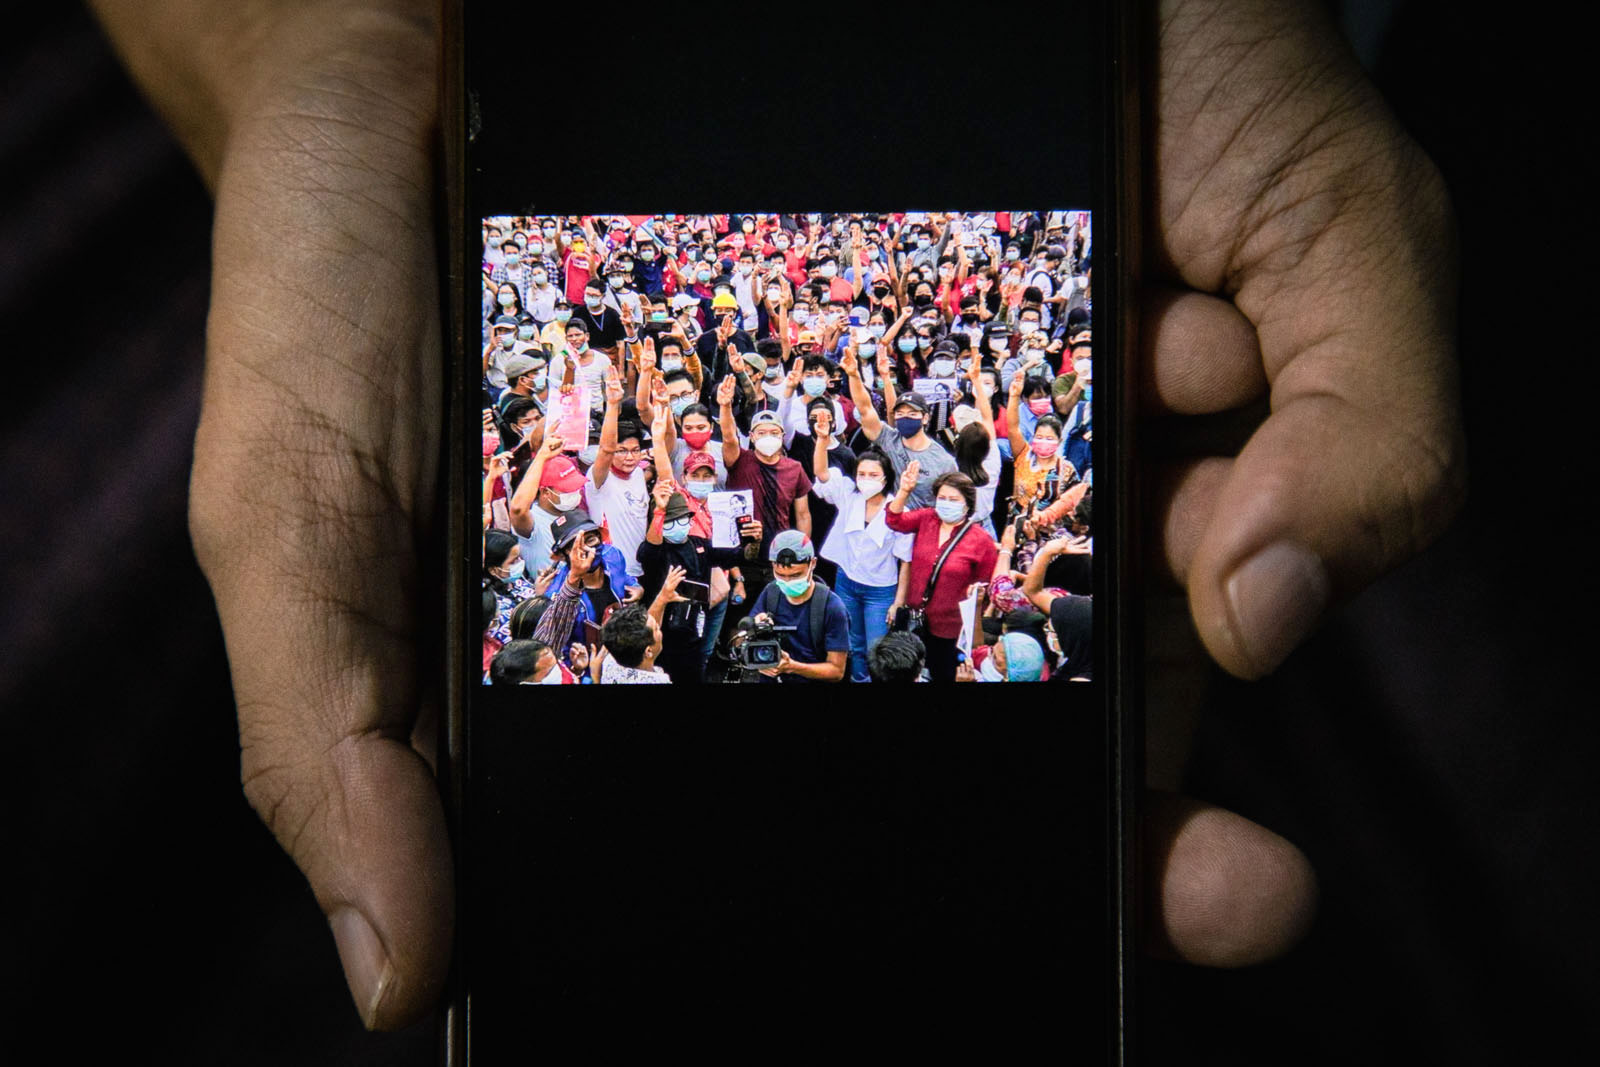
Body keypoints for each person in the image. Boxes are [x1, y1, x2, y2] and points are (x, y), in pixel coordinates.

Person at [129, 0, 1466, 1027]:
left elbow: (902, 477)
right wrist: (300, 35)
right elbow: (699, 466)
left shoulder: (901, 520)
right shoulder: (695, 516)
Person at [884, 465, 1000, 682]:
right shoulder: (927, 518)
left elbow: (986, 589)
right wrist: (904, 490)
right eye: (942, 498)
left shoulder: (981, 540)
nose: (946, 503)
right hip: (916, 621)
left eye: (953, 500)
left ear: (967, 504)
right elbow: (894, 520)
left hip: (951, 631)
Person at [811, 443, 913, 684]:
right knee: (853, 643)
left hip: (880, 591)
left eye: (873, 475)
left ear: (886, 478)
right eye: (862, 474)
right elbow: (822, 473)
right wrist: (822, 440)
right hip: (847, 583)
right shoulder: (849, 496)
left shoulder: (899, 509)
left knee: (876, 648)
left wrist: (898, 602)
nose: (866, 480)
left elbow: (905, 561)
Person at [843, 346, 958, 509]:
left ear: (925, 418)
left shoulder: (943, 461)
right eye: (900, 413)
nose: (905, 417)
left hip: (920, 521)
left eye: (912, 414)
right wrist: (854, 375)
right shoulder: (889, 439)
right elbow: (865, 408)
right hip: (890, 519)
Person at [745, 530, 849, 683]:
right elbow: (741, 640)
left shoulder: (832, 607)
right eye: (781, 575)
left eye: (795, 575)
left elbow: (836, 671)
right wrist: (754, 629)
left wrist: (793, 667)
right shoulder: (771, 592)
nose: (787, 582)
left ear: (813, 564)